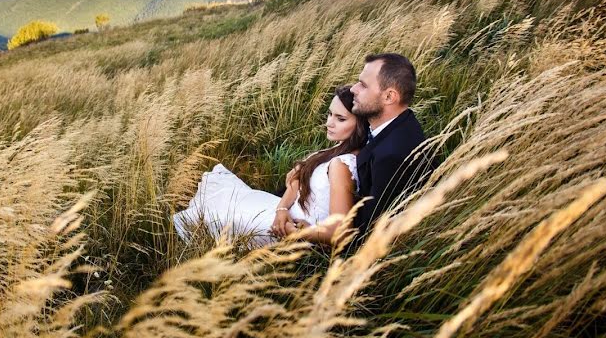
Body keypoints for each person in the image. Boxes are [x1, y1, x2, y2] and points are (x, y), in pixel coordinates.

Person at [173, 86, 368, 246]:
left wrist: (297, 233)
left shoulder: (342, 165)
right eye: (330, 114)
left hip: (295, 233)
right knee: (225, 198)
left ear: (360, 125)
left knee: (213, 217)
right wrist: (281, 210)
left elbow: (339, 232)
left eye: (340, 119)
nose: (329, 123)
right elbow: (296, 184)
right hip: (284, 214)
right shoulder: (336, 150)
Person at [349, 53, 432, 240]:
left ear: (389, 96)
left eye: (363, 85)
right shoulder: (400, 122)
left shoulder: (392, 156)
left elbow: (369, 230)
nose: (354, 89)